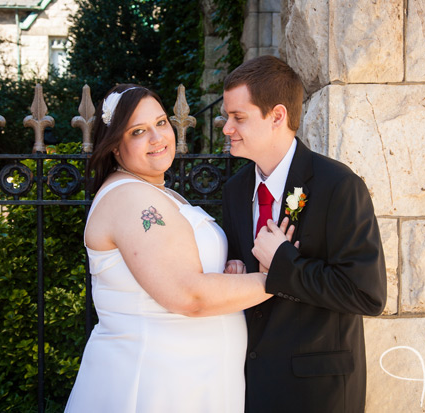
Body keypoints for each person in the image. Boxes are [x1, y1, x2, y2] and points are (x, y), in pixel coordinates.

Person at [65, 84, 280, 412]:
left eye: (161, 122)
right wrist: (280, 279)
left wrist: (227, 279)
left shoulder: (158, 193)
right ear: (114, 148)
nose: (157, 138)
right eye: (138, 131)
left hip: (192, 382)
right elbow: (187, 295)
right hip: (154, 385)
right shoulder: (129, 199)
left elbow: (183, 272)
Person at [221, 55, 387, 412]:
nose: (226, 128)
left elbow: (367, 294)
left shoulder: (339, 186)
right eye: (227, 117)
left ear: (277, 116)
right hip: (247, 388)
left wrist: (284, 262)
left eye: (238, 117)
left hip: (317, 392)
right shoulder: (234, 191)